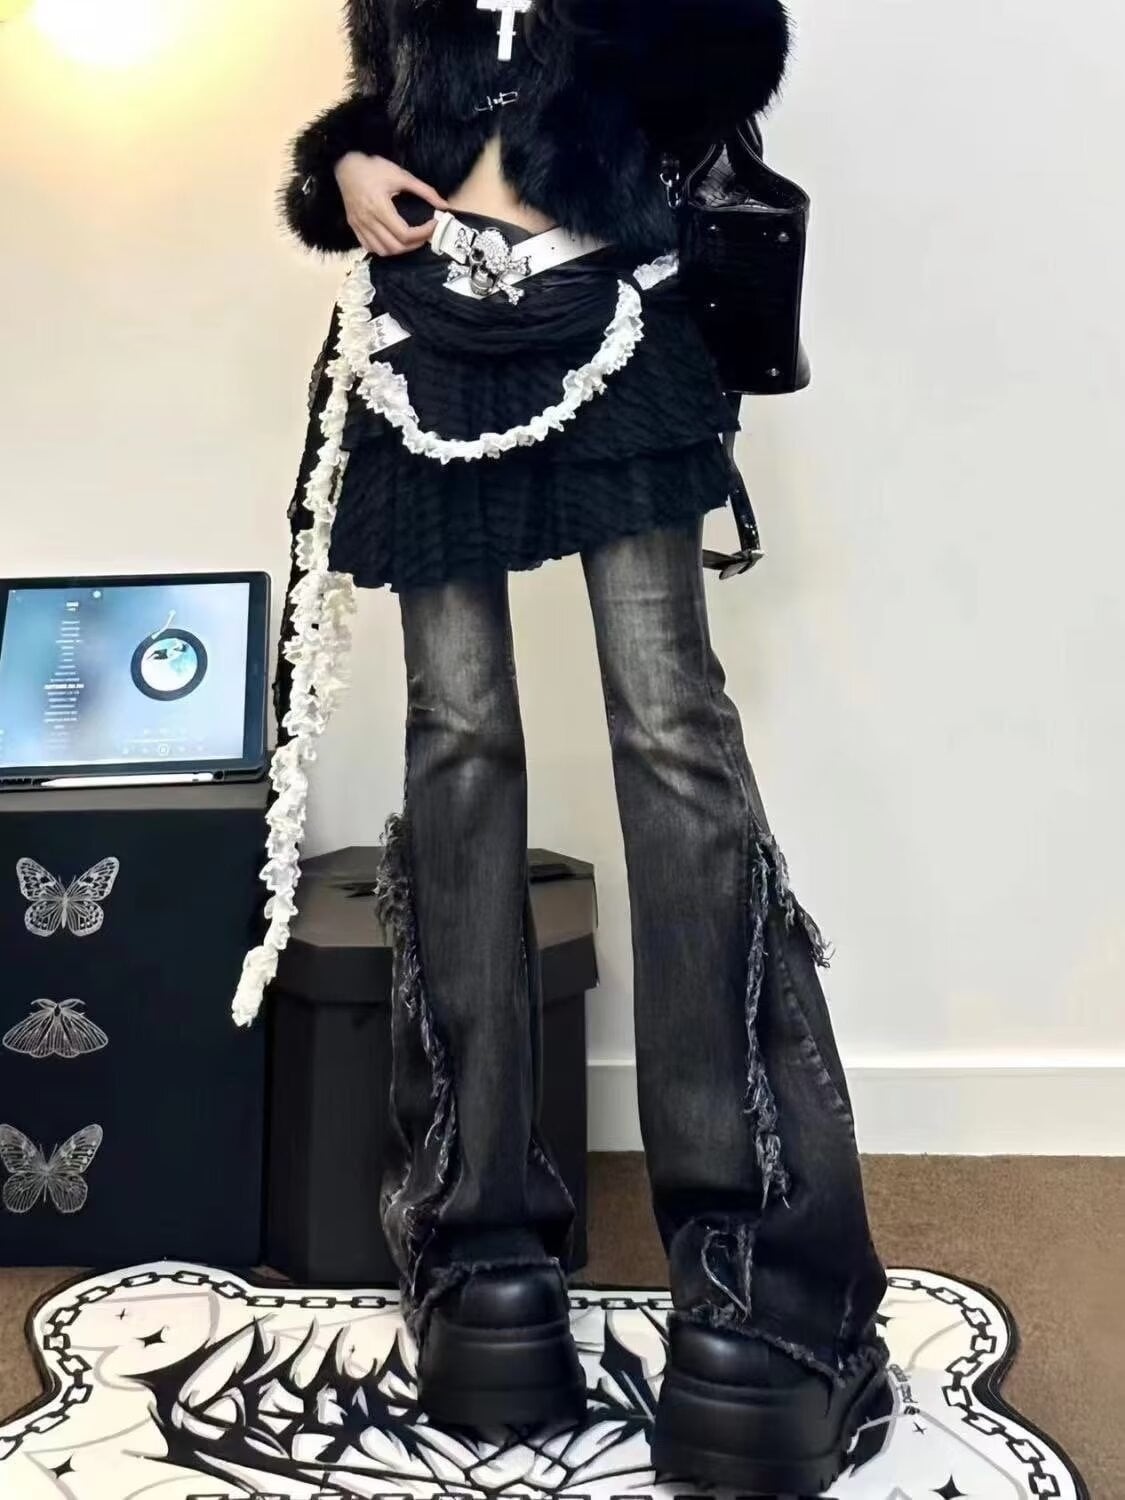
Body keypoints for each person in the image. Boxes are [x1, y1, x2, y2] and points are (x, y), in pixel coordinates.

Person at [239, 1, 890, 1492]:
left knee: (667, 738)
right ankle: (491, 1272)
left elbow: (728, 62)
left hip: (613, 311)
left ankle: (740, 1289)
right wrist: (347, 168)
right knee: (462, 744)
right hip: (422, 330)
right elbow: (389, 98)